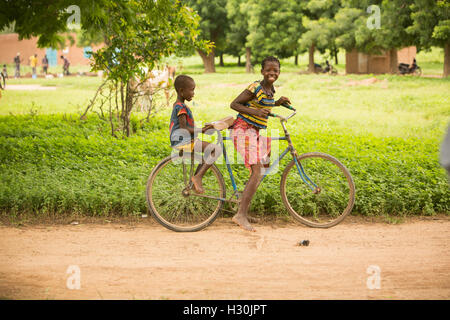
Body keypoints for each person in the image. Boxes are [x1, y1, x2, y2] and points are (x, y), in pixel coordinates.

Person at [229, 56, 291, 231]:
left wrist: (277, 103)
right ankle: (240, 215)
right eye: (268, 70)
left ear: (279, 72)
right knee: (257, 171)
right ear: (262, 71)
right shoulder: (255, 87)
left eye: (275, 71)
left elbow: (264, 105)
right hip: (242, 129)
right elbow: (234, 104)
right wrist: (255, 111)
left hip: (254, 132)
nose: (272, 73)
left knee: (262, 167)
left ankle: (243, 210)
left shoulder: (271, 89)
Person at [169, 74, 220, 193]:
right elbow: (184, 129)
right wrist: (202, 130)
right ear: (181, 91)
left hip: (184, 140)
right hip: (183, 140)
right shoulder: (180, 107)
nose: (193, 93)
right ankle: (198, 177)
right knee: (215, 150)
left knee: (206, 156)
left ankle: (195, 181)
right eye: (191, 90)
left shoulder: (179, 105)